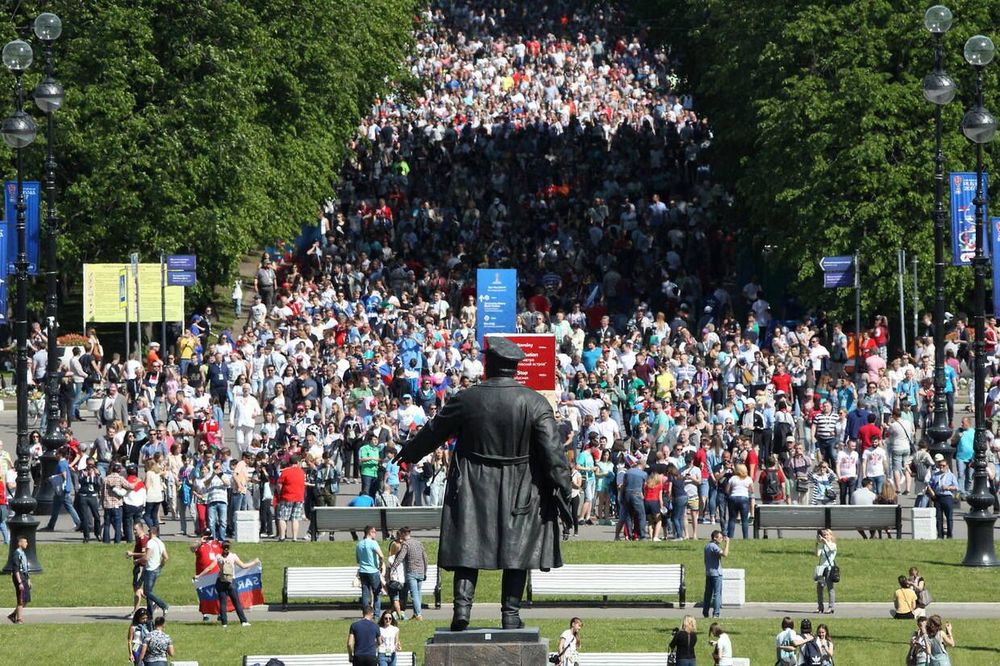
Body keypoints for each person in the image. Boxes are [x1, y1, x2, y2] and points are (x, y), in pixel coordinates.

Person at [396, 336, 572, 631]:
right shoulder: (535, 402)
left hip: (474, 484)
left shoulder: (468, 398)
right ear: (515, 368)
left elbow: (435, 431)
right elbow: (554, 453)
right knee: (518, 549)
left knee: (468, 545)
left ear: (489, 365)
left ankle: (462, 610)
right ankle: (510, 614)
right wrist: (563, 487)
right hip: (521, 486)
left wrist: (410, 453)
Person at [194, 540, 259, 627]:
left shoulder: (219, 557)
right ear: (229, 548)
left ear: (221, 548)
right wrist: (255, 562)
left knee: (223, 603)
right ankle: (244, 621)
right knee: (237, 603)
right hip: (231, 582)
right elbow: (244, 566)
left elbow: (209, 568)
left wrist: (199, 575)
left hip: (221, 582)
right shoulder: (233, 556)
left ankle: (224, 623)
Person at [191, 529, 224, 622]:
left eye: (208, 534)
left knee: (216, 594)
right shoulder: (200, 545)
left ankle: (219, 613)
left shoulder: (216, 544)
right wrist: (200, 541)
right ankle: (205, 613)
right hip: (202, 574)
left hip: (215, 573)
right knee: (203, 594)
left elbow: (225, 549)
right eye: (205, 534)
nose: (207, 536)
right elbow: (192, 548)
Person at [396, 527, 428, 621]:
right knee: (418, 593)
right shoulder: (418, 543)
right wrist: (425, 570)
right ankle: (416, 613)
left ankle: (418, 614)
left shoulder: (406, 544)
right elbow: (425, 557)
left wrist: (393, 567)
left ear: (402, 534)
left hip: (412, 571)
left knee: (414, 594)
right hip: (421, 571)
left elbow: (400, 557)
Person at [926, 454, 958, 539]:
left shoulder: (951, 476)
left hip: (947, 497)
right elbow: (930, 485)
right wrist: (931, 492)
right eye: (940, 465)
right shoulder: (935, 475)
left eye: (943, 466)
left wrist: (948, 487)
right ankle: (940, 535)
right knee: (938, 518)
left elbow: (956, 487)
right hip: (938, 497)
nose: (941, 467)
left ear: (947, 466)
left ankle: (949, 534)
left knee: (949, 517)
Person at [356, 525, 384, 616]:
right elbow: (381, 555)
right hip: (372, 571)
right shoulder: (373, 543)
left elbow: (358, 560)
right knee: (377, 593)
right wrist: (380, 564)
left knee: (365, 593)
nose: (375, 534)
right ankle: (376, 613)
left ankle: (366, 614)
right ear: (370, 532)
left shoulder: (359, 544)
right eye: (374, 532)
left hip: (363, 571)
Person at [143, 525, 170, 620]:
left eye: (149, 531)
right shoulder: (160, 542)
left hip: (150, 569)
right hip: (157, 569)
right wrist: (161, 565)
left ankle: (162, 605)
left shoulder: (150, 542)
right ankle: (150, 615)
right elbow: (166, 557)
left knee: (147, 592)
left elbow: (147, 557)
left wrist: (137, 561)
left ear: (152, 533)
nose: (148, 533)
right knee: (149, 592)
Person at [276, 455, 306, 541]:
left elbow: (279, 484)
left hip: (287, 496)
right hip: (299, 497)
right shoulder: (301, 472)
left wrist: (279, 493)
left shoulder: (285, 472)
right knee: (295, 518)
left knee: (282, 517)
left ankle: (282, 537)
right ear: (297, 462)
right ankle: (295, 537)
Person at [702, 530, 730, 619]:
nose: (722, 539)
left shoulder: (707, 546)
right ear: (715, 538)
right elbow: (725, 554)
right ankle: (716, 613)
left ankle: (705, 612)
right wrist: (727, 543)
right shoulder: (714, 546)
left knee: (708, 594)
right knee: (717, 594)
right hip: (716, 574)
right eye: (720, 537)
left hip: (709, 573)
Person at [726, 463, 752, 539]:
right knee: (744, 520)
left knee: (732, 519)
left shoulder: (733, 478)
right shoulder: (748, 478)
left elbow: (727, 490)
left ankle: (730, 536)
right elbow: (752, 490)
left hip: (733, 497)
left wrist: (731, 492)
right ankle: (745, 537)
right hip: (744, 498)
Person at [8, 535, 29, 624]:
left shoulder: (23, 553)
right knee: (20, 599)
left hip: (24, 576)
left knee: (26, 599)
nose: (27, 544)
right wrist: (19, 582)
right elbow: (16, 569)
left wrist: (28, 579)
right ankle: (19, 619)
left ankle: (13, 615)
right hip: (19, 577)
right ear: (19, 543)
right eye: (25, 542)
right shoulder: (16, 554)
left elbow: (25, 568)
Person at [815, 528, 837, 614]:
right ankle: (820, 607)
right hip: (821, 569)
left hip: (829, 568)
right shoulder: (822, 545)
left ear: (831, 536)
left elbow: (831, 549)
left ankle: (831, 607)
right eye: (824, 535)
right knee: (819, 588)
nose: (825, 536)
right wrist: (817, 543)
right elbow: (817, 554)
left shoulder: (833, 545)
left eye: (827, 535)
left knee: (830, 588)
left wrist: (825, 542)